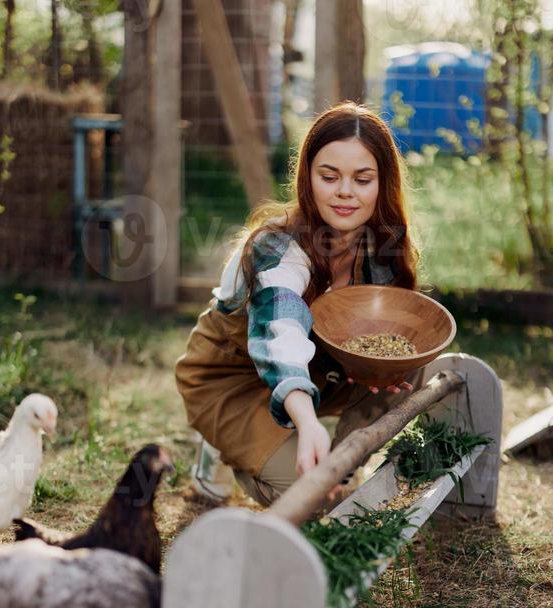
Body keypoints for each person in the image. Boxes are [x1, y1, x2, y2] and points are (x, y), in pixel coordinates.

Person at [175, 101, 422, 507]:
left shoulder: (379, 246)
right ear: (308, 178)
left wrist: (382, 364)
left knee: (414, 359)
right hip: (233, 378)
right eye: (330, 176)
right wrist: (307, 423)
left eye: (362, 179)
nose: (345, 191)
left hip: (317, 372)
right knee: (307, 500)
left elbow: (385, 329)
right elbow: (283, 334)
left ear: (383, 184)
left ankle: (341, 462)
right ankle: (226, 444)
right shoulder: (279, 248)